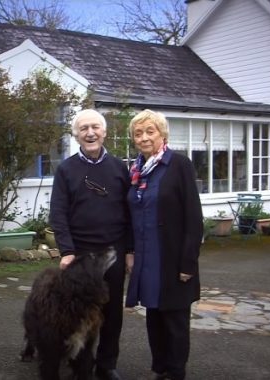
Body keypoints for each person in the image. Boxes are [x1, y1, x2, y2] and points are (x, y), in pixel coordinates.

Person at [49, 108, 133, 380]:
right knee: (77, 312)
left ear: (105, 132)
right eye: (83, 128)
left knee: (112, 313)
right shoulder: (66, 169)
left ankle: (107, 365)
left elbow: (130, 212)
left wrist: (130, 250)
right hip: (80, 255)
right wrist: (67, 250)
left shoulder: (120, 168)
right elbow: (58, 213)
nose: (90, 132)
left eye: (95, 127)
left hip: (113, 253)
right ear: (76, 135)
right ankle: (79, 362)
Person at [124, 109, 203, 380]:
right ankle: (160, 369)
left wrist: (188, 263)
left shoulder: (179, 165)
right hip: (147, 259)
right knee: (154, 317)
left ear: (162, 134)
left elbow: (194, 217)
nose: (144, 138)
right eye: (138, 133)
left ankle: (176, 372)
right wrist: (131, 252)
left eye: (150, 131)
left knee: (175, 320)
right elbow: (132, 215)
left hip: (172, 257)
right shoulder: (135, 170)